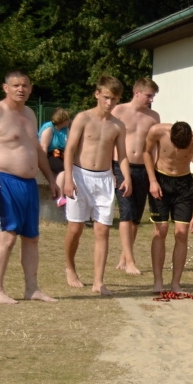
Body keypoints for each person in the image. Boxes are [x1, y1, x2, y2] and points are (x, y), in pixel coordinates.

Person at [63, 74, 130, 296]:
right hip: (80, 175)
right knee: (76, 228)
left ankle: (98, 281)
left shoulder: (118, 125)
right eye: (107, 97)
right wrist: (68, 178)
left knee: (103, 230)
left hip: (103, 179)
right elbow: (70, 149)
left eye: (115, 99)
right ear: (97, 94)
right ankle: (70, 268)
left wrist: (126, 177)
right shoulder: (83, 118)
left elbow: (122, 156)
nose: (110, 103)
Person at [0, 70, 60, 304]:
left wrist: (52, 179)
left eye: (25, 85)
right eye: (15, 85)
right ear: (6, 88)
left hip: (28, 184)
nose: (20, 89)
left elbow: (36, 149)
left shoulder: (30, 114)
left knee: (31, 237)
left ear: (31, 88)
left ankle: (32, 288)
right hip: (4, 181)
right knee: (7, 236)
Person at [144, 120, 193, 293]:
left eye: (183, 147)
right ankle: (158, 281)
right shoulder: (157, 131)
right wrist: (152, 181)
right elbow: (146, 152)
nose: (179, 150)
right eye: (176, 146)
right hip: (160, 181)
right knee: (161, 230)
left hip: (184, 185)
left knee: (181, 233)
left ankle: (175, 283)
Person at [112, 76, 160, 275]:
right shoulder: (119, 111)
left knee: (136, 218)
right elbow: (109, 141)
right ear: (137, 92)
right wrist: (109, 171)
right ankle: (130, 261)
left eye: (153, 96)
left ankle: (125, 256)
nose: (151, 100)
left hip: (143, 168)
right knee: (126, 212)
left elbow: (155, 146)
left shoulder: (153, 116)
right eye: (149, 95)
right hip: (121, 166)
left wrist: (153, 175)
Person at [37, 107, 70, 204]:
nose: (69, 121)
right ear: (62, 120)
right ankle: (59, 197)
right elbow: (44, 147)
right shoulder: (49, 128)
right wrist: (43, 163)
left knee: (70, 168)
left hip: (60, 155)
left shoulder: (65, 130)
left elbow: (69, 146)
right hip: (48, 154)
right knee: (62, 169)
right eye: (68, 119)